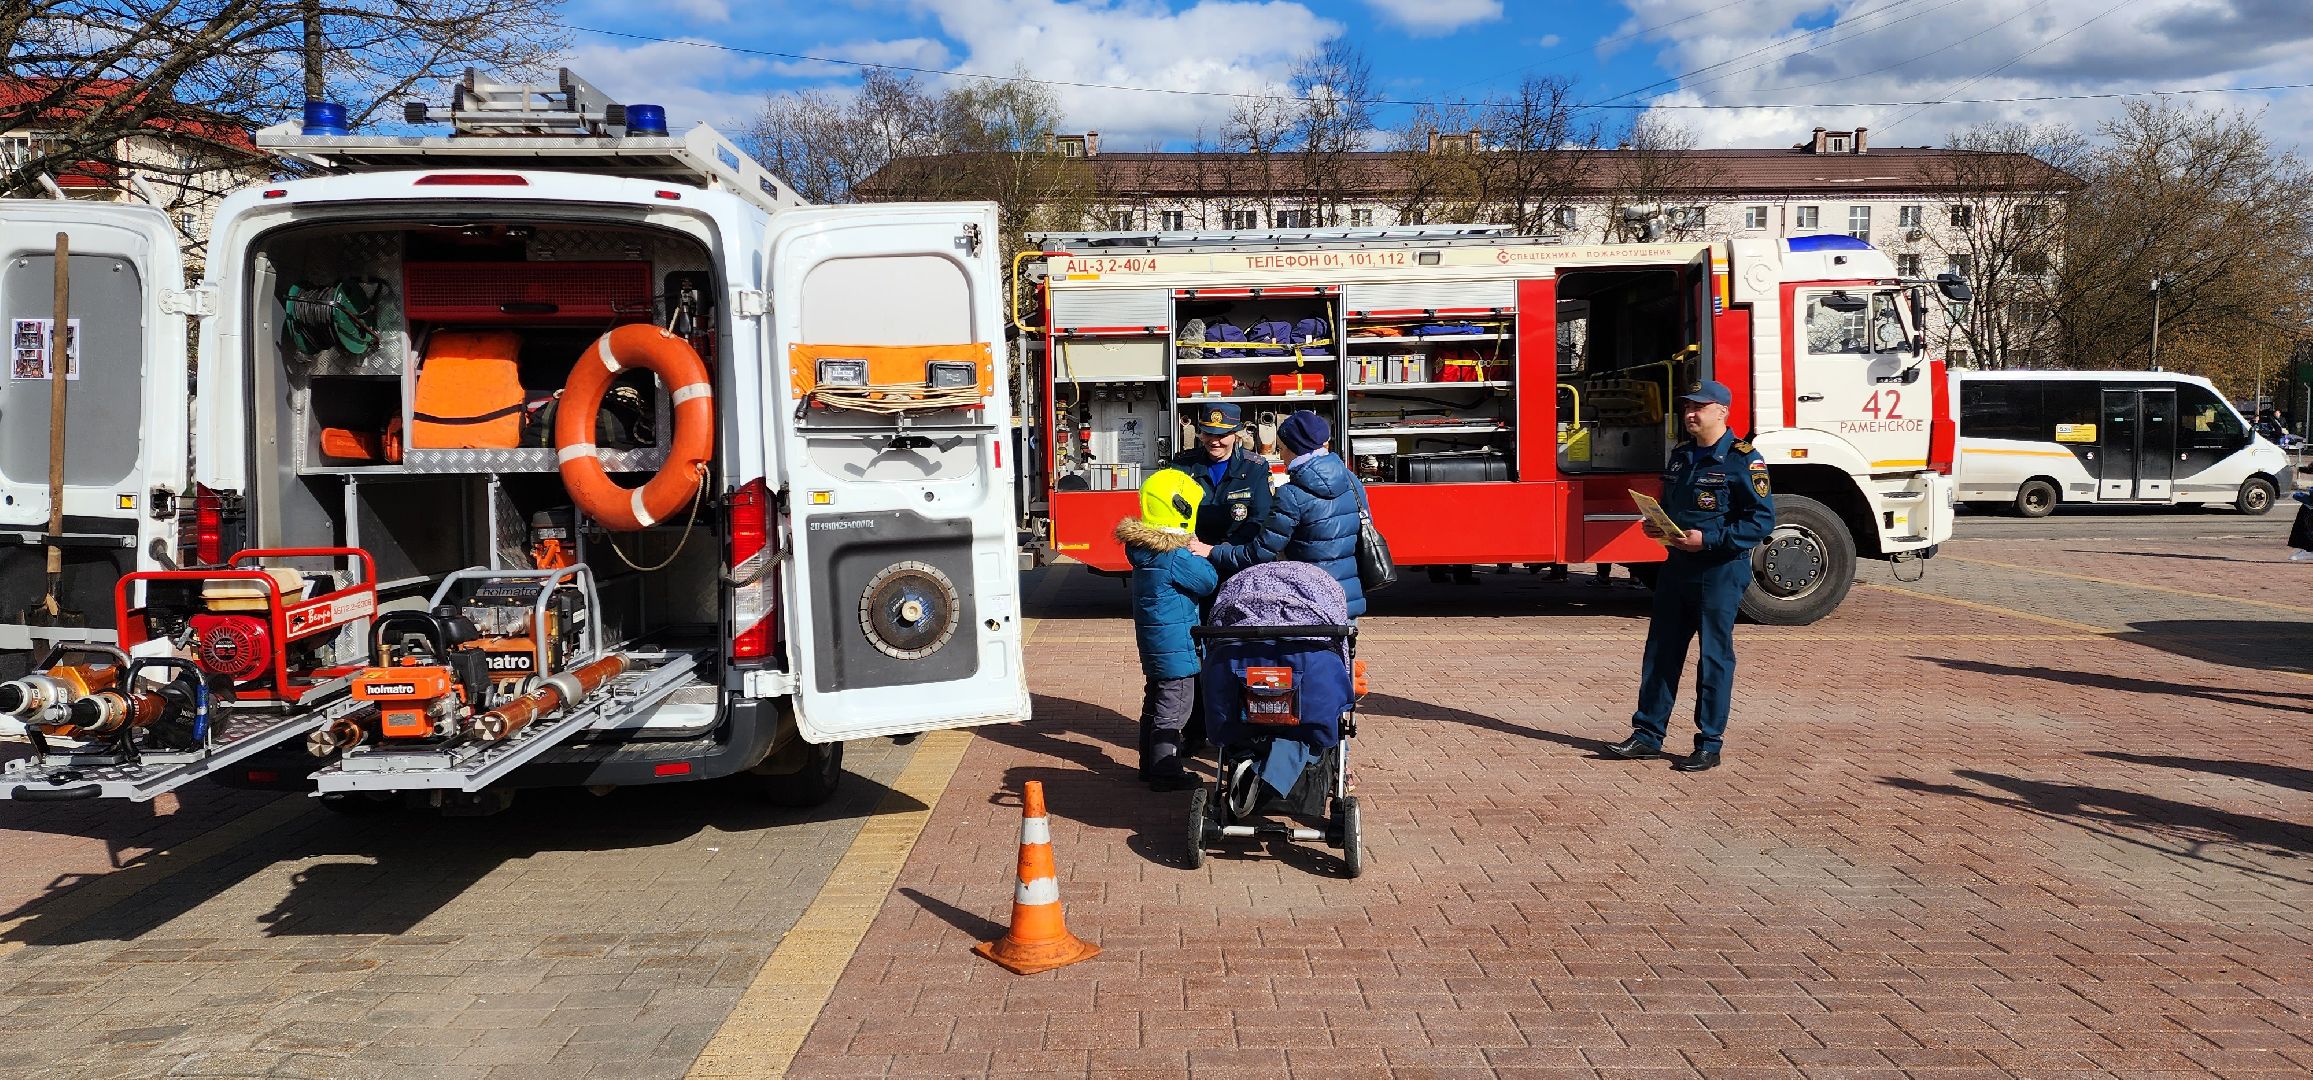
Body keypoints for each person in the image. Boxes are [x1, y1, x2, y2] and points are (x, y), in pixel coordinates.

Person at [1607, 381, 1776, 772]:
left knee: (1714, 657)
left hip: (1719, 569)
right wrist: (1657, 525)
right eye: (1687, 407)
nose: (1690, 414)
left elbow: (1761, 521)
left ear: (1723, 412)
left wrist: (1711, 539)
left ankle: (1709, 743)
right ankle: (1648, 734)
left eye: (1700, 407)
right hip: (1677, 566)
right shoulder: (1681, 457)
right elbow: (1674, 506)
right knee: (1661, 651)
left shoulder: (1743, 460)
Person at [1117, 468, 1218, 790]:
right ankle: (1165, 771)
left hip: (1157, 642)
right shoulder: (1174, 555)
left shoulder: (1144, 549)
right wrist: (1198, 549)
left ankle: (1149, 765)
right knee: (1175, 708)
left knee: (1155, 702)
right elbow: (1207, 581)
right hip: (1176, 645)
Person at [1213, 410, 1366, 618]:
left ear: (1295, 450)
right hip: (1346, 599)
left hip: (1310, 603)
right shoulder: (1350, 479)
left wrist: (1212, 551)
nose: (1281, 455)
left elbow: (1259, 554)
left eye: (1283, 448)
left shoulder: (1291, 495)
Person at [1169, 402, 1272, 549]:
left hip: (1237, 553)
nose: (1214, 441)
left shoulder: (1255, 468)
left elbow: (1261, 518)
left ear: (1236, 436)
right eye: (1208, 433)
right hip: (1192, 552)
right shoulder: (1183, 465)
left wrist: (1224, 549)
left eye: (1222, 435)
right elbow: (1169, 512)